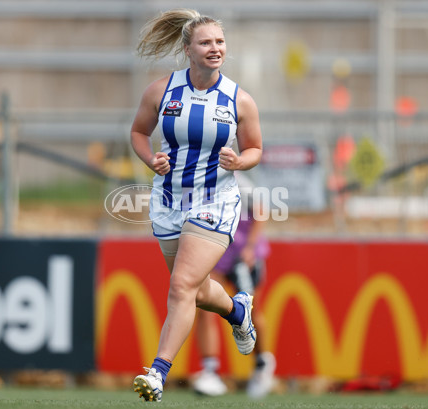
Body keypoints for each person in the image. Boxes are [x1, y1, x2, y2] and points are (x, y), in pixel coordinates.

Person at [129, 8, 263, 402]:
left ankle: (157, 372)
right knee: (197, 290)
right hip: (169, 201)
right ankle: (238, 312)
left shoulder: (239, 99)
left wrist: (240, 161)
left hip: (216, 200)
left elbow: (255, 147)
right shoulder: (161, 91)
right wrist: (149, 159)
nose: (215, 48)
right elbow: (138, 132)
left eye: (220, 42)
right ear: (187, 49)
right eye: (206, 42)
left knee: (181, 285)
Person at [193, 172, 276, 399]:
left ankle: (262, 365)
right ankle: (210, 371)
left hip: (244, 255)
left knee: (252, 312)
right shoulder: (193, 178)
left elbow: (261, 211)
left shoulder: (236, 180)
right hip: (216, 255)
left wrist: (250, 247)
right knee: (204, 308)